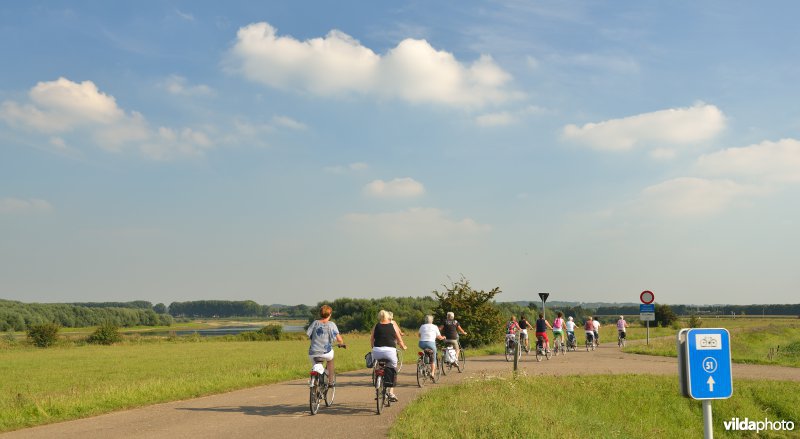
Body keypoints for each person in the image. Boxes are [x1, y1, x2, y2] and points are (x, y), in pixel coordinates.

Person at [371, 309, 407, 402]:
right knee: (393, 369)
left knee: (378, 366)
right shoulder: (392, 325)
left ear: (379, 317)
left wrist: (373, 348)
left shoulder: (376, 325)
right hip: (390, 352)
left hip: (377, 351)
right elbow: (399, 339)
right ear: (388, 317)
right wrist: (403, 346)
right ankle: (391, 393)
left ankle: (377, 385)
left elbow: (372, 339)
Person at [306, 305, 345, 386]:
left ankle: (315, 384)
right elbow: (339, 339)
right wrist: (341, 343)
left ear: (320, 314)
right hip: (326, 352)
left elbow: (309, 334)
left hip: (313, 352)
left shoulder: (315, 323)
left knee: (315, 367)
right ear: (330, 314)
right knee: (330, 360)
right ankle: (330, 382)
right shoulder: (331, 324)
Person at [418, 315, 445, 381]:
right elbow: (439, 337)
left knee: (425, 351)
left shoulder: (422, 326)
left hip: (421, 343)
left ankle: (423, 364)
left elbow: (419, 335)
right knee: (433, 358)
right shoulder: (435, 326)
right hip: (431, 344)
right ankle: (432, 374)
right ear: (432, 320)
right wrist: (443, 337)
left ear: (425, 320)